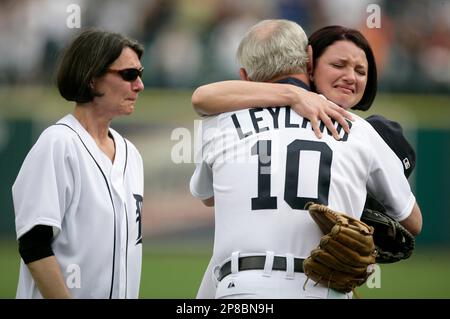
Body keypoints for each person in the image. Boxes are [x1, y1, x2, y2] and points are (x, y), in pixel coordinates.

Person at [189, 20, 422, 299]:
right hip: (321, 288)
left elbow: (207, 196)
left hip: (239, 287)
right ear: (309, 60)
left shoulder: (222, 123)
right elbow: (413, 222)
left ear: (244, 75)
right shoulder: (358, 129)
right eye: (339, 65)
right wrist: (360, 205)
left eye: (359, 70)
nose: (350, 76)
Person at [12, 28, 145, 299]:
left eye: (140, 74)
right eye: (129, 74)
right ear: (93, 79)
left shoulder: (131, 154)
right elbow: (33, 244)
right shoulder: (59, 144)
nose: (139, 85)